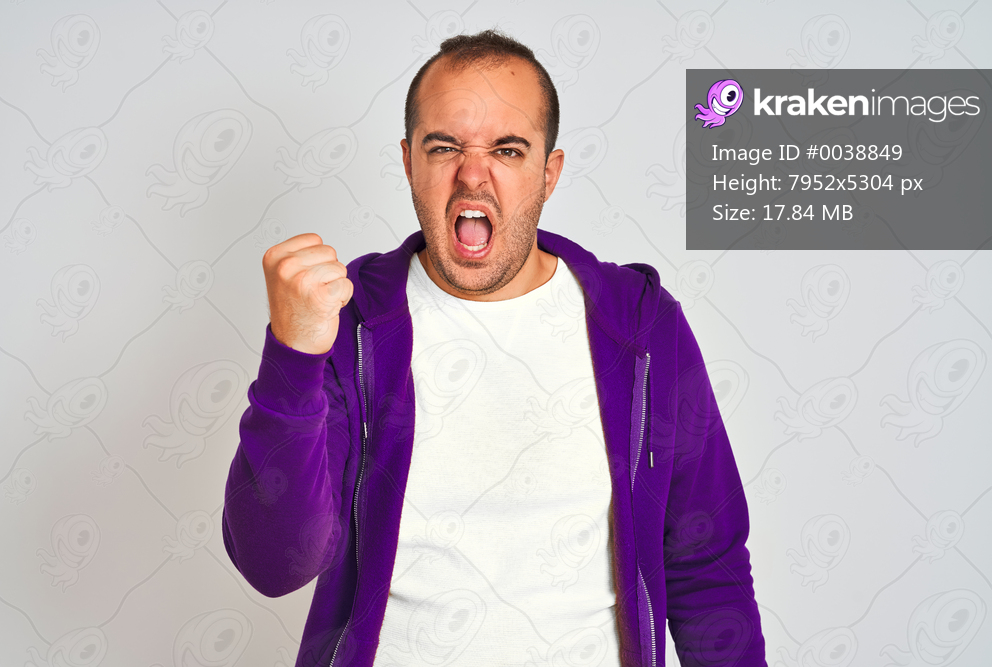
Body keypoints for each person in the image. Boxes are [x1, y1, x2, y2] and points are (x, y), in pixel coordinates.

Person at [222, 29, 766, 667]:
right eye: (444, 146)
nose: (472, 175)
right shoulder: (352, 320)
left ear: (548, 172)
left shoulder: (640, 326)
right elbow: (275, 562)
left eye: (507, 150)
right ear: (408, 163)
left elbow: (709, 566)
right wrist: (294, 355)